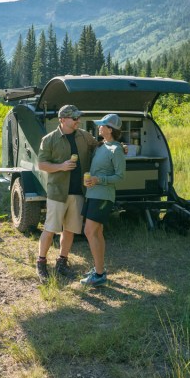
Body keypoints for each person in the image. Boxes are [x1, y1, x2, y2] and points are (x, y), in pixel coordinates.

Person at [36, 104, 98, 282]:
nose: (78, 121)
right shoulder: (49, 139)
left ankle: (62, 262)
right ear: (62, 120)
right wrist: (61, 167)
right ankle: (41, 263)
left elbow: (98, 146)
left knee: (70, 230)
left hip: (78, 192)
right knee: (50, 229)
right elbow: (42, 165)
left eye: (78, 117)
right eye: (74, 118)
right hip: (57, 193)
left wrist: (117, 146)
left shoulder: (84, 136)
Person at [81, 113, 126, 286]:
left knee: (89, 231)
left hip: (103, 196)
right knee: (97, 232)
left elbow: (120, 176)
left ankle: (99, 275)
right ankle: (99, 269)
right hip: (93, 194)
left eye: (102, 125)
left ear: (110, 129)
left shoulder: (117, 150)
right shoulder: (101, 146)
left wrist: (99, 179)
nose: (99, 127)